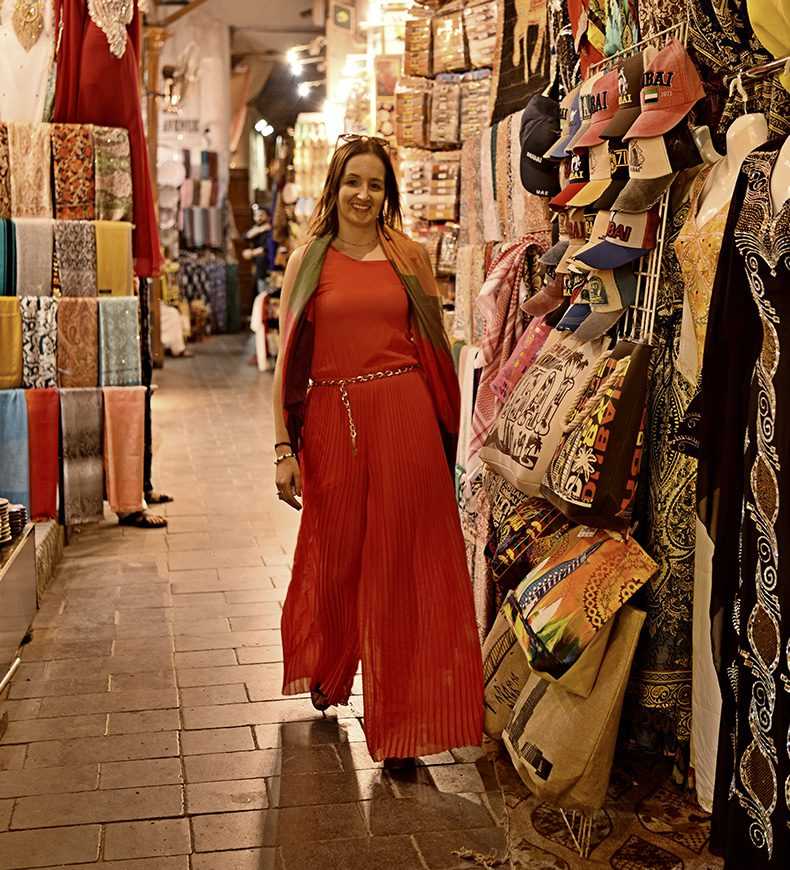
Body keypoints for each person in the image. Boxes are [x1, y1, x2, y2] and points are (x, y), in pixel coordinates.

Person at [272, 135, 484, 766]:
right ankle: (331, 666)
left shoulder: (410, 258)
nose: (363, 196)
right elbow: (287, 362)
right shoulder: (307, 261)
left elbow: (434, 347)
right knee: (334, 554)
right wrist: (284, 445)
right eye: (352, 183)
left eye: (375, 185)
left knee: (403, 568)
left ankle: (402, 725)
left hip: (405, 418)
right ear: (334, 188)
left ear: (388, 194)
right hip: (333, 422)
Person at [241, 204, 273, 293]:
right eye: (256, 215)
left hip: (266, 268)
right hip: (257, 267)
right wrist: (259, 230)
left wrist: (251, 253)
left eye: (261, 215)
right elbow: (245, 237)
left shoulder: (270, 231)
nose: (258, 218)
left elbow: (265, 248)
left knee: (263, 293)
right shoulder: (257, 229)